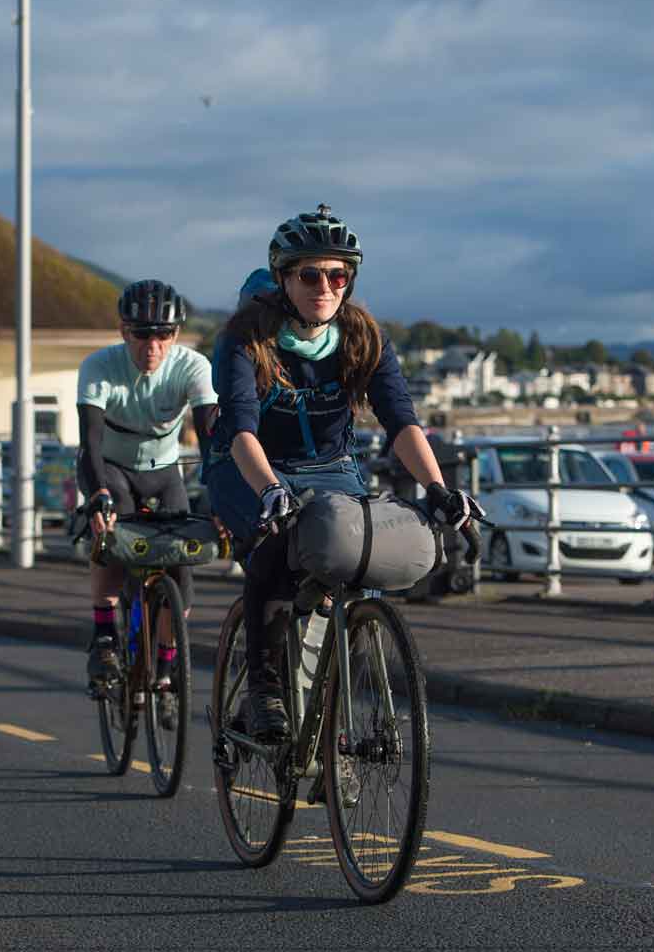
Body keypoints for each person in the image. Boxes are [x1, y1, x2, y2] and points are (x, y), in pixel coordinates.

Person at [206, 205, 482, 742]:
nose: (325, 287)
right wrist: (270, 491)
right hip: (248, 464)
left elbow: (401, 420)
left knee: (361, 557)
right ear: (284, 278)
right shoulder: (246, 337)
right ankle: (264, 690)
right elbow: (240, 428)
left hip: (331, 466)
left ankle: (339, 698)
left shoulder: (362, 335)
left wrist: (438, 488)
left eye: (337, 276)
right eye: (310, 275)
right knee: (274, 549)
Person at [76, 279, 217, 718]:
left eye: (163, 335)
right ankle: (104, 636)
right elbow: (90, 441)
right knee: (113, 537)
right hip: (110, 467)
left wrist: (220, 498)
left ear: (176, 334)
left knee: (182, 562)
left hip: (164, 472)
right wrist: (98, 495)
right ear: (123, 330)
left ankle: (167, 670)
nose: (152, 346)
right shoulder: (99, 366)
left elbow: (211, 439)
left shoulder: (193, 365)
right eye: (141, 334)